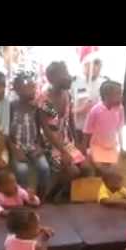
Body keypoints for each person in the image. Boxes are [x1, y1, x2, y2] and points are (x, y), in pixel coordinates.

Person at [38, 61, 93, 203]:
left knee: (87, 168)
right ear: (52, 79)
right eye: (64, 74)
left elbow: (70, 120)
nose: (69, 77)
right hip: (50, 144)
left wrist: (79, 143)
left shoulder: (66, 94)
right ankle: (53, 194)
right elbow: (46, 130)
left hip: (65, 141)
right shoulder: (45, 101)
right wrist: (63, 152)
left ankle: (65, 192)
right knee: (72, 171)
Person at [8, 70, 51, 200]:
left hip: (33, 146)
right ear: (17, 90)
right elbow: (5, 133)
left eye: (34, 87)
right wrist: (15, 151)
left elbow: (51, 116)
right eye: (28, 88)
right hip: (17, 147)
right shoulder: (11, 107)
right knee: (22, 170)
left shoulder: (37, 106)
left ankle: (41, 196)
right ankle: (24, 196)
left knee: (44, 167)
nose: (32, 91)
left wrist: (40, 146)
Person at [83, 80, 126, 173]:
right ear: (107, 96)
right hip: (97, 146)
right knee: (101, 170)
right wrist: (84, 153)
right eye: (118, 94)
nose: (121, 97)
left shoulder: (120, 109)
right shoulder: (95, 111)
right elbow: (86, 132)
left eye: (121, 93)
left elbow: (120, 129)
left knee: (113, 171)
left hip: (112, 147)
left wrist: (122, 148)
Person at [71, 47, 107, 143]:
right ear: (84, 64)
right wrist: (80, 109)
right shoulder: (74, 82)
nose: (96, 67)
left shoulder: (105, 84)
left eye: (99, 64)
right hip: (76, 128)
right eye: (93, 63)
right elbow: (63, 111)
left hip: (95, 129)